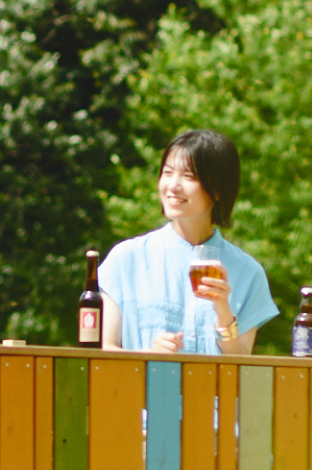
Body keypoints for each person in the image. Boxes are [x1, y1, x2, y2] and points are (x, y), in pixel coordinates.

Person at [100, 128, 277, 355]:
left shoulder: (248, 273)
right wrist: (147, 355)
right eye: (167, 172)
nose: (173, 185)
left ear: (218, 189)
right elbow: (102, 352)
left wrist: (223, 310)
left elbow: (241, 368)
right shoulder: (126, 259)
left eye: (188, 176)